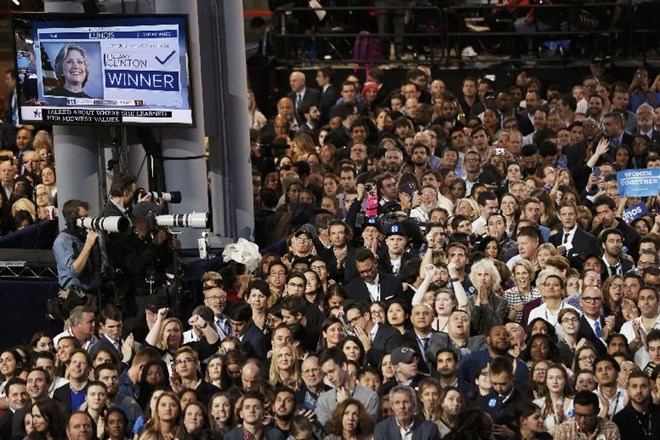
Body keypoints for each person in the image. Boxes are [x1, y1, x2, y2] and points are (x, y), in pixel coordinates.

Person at [373, 384, 440, 440]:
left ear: (413, 405)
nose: (402, 406)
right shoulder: (382, 429)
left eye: (406, 402)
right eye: (397, 403)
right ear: (392, 406)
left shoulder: (429, 429)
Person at [554, 390, 620, 440]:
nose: (583, 420)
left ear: (597, 412)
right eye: (578, 415)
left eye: (588, 416)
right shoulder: (563, 430)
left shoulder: (610, 429)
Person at [612, 371, 660, 439]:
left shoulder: (658, 412)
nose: (639, 391)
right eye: (634, 386)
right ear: (628, 389)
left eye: (643, 386)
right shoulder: (619, 419)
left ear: (650, 389)